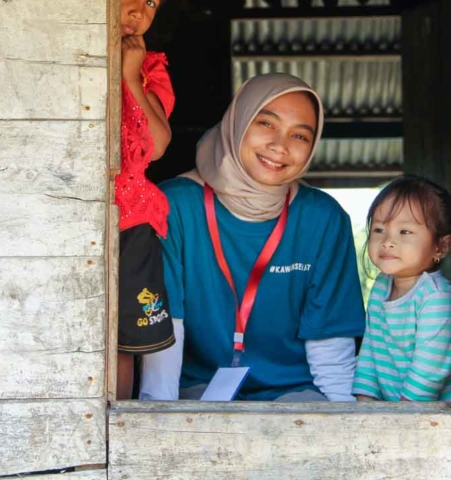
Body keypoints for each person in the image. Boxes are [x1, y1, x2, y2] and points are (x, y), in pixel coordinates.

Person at [139, 73, 366, 402]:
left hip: (295, 393)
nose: (280, 146)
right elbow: (164, 324)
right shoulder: (174, 205)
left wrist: (344, 426)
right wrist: (159, 418)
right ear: (238, 121)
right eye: (266, 124)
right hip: (199, 392)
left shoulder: (323, 218)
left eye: (300, 136)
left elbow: (329, 346)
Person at [116, 0, 176, 399]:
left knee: (122, 341)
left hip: (132, 218)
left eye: (152, 1)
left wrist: (131, 78)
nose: (140, 11)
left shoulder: (150, 68)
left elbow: (156, 146)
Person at [352, 175, 451, 402]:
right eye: (379, 229)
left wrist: (401, 418)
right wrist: (363, 407)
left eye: (405, 232)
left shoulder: (435, 297)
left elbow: (428, 375)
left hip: (431, 418)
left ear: (441, 246)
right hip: (395, 415)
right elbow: (369, 353)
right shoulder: (381, 287)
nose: (387, 241)